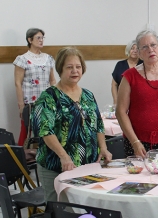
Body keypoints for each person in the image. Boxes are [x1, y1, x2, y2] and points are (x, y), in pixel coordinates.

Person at [32, 47, 112, 202]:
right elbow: (45, 131)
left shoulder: (88, 95)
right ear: (60, 69)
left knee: (88, 206)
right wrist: (64, 156)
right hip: (57, 166)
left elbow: (98, 124)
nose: (75, 71)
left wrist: (103, 148)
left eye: (78, 67)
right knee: (62, 210)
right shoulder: (48, 97)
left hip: (87, 165)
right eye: (69, 67)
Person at [14, 28, 56, 146]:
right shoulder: (22, 59)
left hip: (47, 101)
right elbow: (18, 83)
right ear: (29, 40)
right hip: (30, 103)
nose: (41, 40)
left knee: (47, 130)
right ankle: (22, 158)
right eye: (38, 38)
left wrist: (56, 97)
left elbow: (52, 80)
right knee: (27, 132)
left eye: (42, 38)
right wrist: (21, 105)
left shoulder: (48, 58)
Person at [111, 40, 143, 104]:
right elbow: (114, 85)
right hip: (122, 100)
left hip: (140, 100)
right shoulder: (120, 64)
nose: (135, 51)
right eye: (132, 48)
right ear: (128, 50)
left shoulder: (143, 64)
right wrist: (116, 100)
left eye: (137, 49)